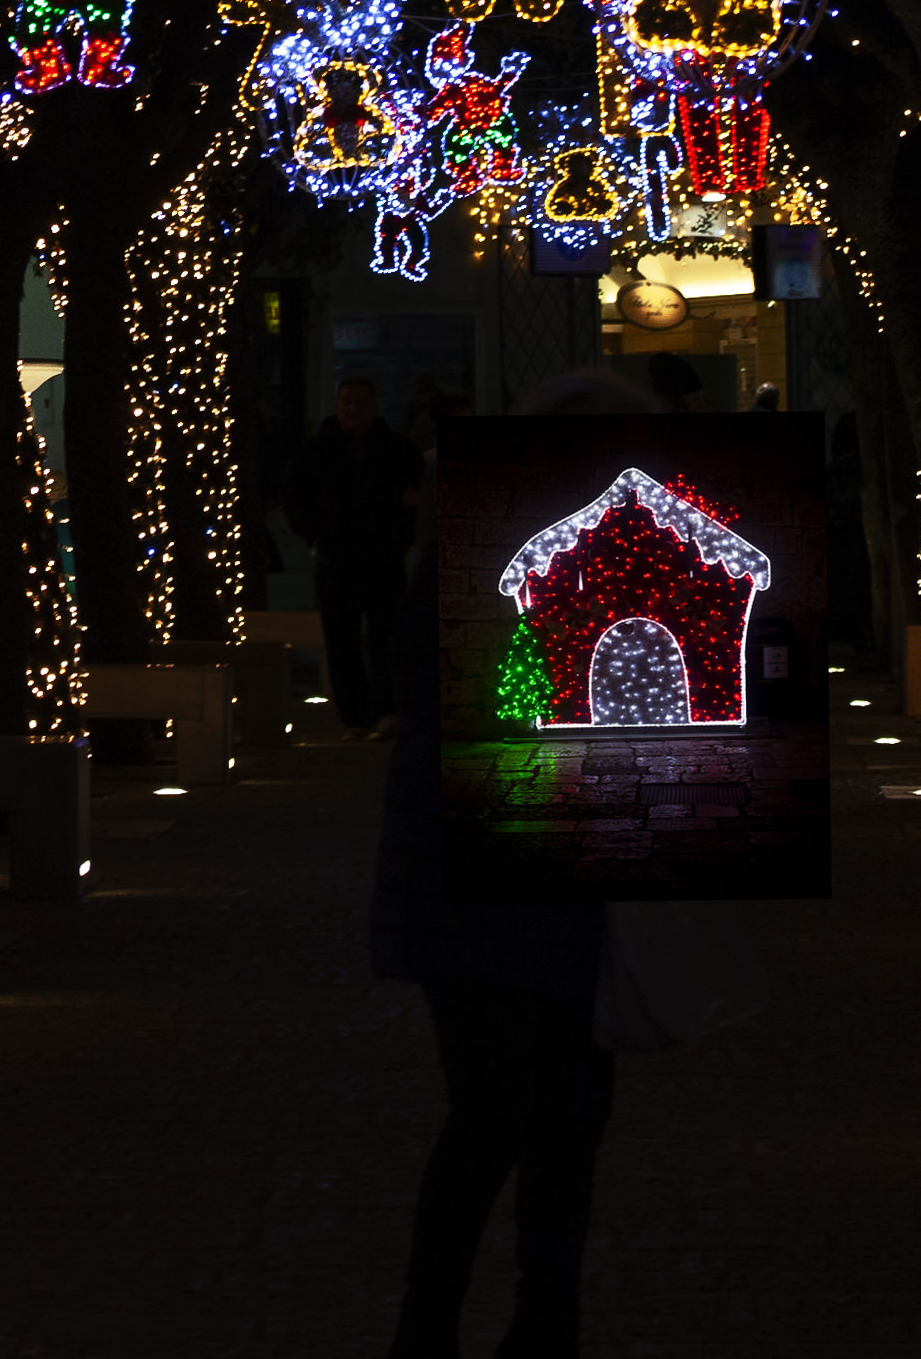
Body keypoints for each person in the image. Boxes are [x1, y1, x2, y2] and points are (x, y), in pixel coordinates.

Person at [368, 360, 650, 1359]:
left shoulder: (500, 549)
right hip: (492, 875)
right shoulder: (502, 557)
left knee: (536, 1117)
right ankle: (473, 1324)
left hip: (534, 882)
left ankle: (514, 1323)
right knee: (510, 1113)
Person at [287, 376, 424, 733]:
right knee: (343, 640)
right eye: (346, 402)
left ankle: (380, 712)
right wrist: (317, 535)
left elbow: (414, 500)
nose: (351, 409)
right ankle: (359, 716)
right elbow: (296, 502)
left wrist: (399, 536)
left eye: (358, 402)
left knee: (384, 638)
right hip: (340, 556)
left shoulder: (396, 452)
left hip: (379, 556)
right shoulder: (318, 453)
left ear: (374, 407)